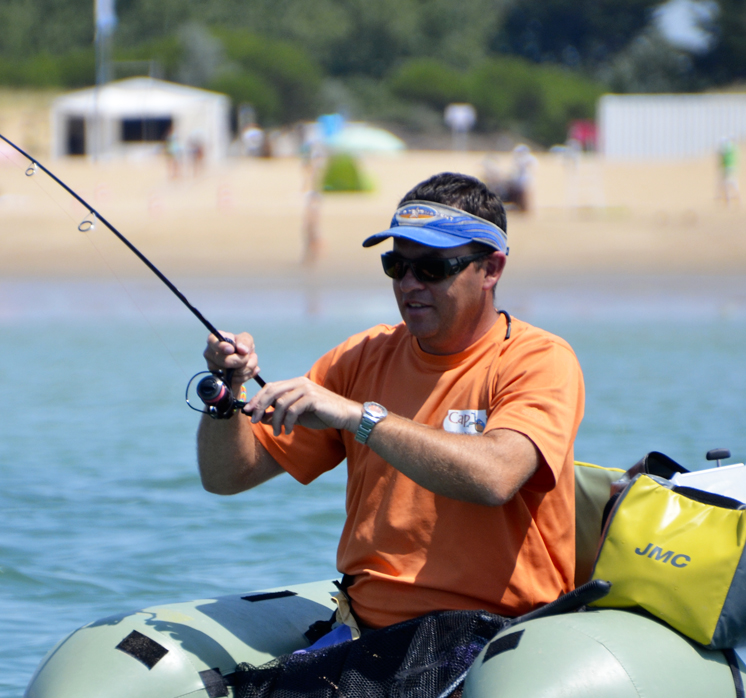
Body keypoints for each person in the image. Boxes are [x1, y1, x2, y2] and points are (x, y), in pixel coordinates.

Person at [198, 173, 585, 633]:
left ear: (492, 269)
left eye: (432, 269)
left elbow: (496, 475)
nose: (409, 284)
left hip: (493, 635)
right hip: (369, 634)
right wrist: (227, 390)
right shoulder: (362, 357)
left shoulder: (539, 359)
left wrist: (358, 418)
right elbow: (227, 476)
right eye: (396, 266)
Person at [717, 139, 739, 206]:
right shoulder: (732, 152)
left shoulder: (724, 152)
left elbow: (721, 162)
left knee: (725, 185)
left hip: (726, 169)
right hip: (733, 168)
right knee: (734, 184)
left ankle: (728, 202)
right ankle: (738, 198)